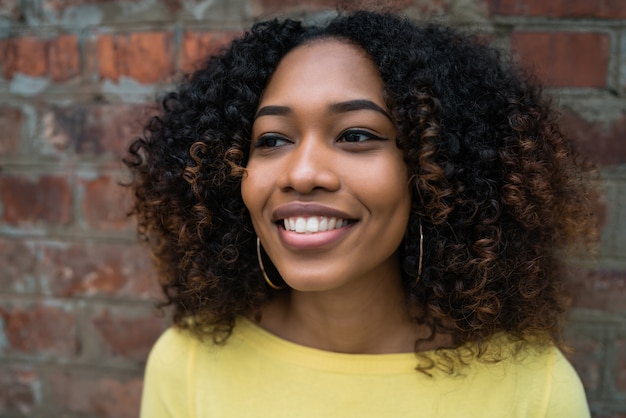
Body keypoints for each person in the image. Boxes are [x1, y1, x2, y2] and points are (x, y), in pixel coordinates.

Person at [125, 10, 596, 417]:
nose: (303, 173)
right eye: (272, 140)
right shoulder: (187, 364)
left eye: (355, 135)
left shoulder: (534, 391)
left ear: (436, 170)